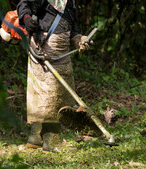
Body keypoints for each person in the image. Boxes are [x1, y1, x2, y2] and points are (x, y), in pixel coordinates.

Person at [17, 0, 91, 152]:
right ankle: (52, 141)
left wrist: (79, 39)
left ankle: (36, 136)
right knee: (51, 93)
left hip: (61, 49)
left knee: (54, 93)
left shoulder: (70, 2)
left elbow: (71, 22)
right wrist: (27, 20)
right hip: (43, 45)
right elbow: (23, 4)